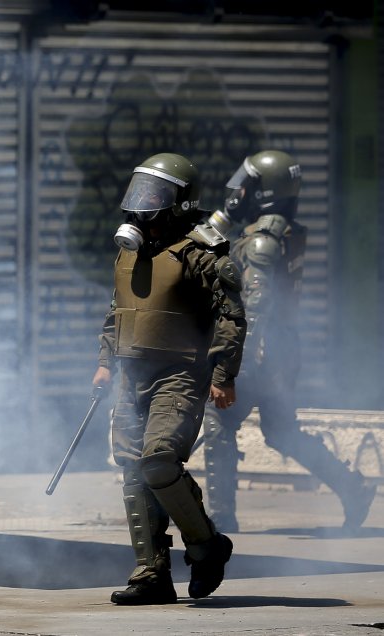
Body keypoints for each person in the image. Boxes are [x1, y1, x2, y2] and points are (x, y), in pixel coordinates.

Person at [93, 153, 246, 605]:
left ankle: (206, 548)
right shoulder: (130, 251)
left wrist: (223, 374)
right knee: (132, 468)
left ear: (180, 202)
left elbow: (231, 315)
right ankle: (151, 573)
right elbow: (116, 311)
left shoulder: (201, 251)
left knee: (158, 461)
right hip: (131, 373)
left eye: (155, 196)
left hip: (179, 374)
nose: (143, 206)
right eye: (141, 192)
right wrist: (105, 361)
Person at [202, 150, 375, 532]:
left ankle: (222, 520)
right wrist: (228, 213)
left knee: (219, 419)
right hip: (280, 351)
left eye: (246, 187)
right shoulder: (279, 230)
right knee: (280, 432)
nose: (238, 193)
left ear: (263, 191)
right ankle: (352, 487)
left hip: (261, 351)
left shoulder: (263, 239)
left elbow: (258, 306)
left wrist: (236, 365)